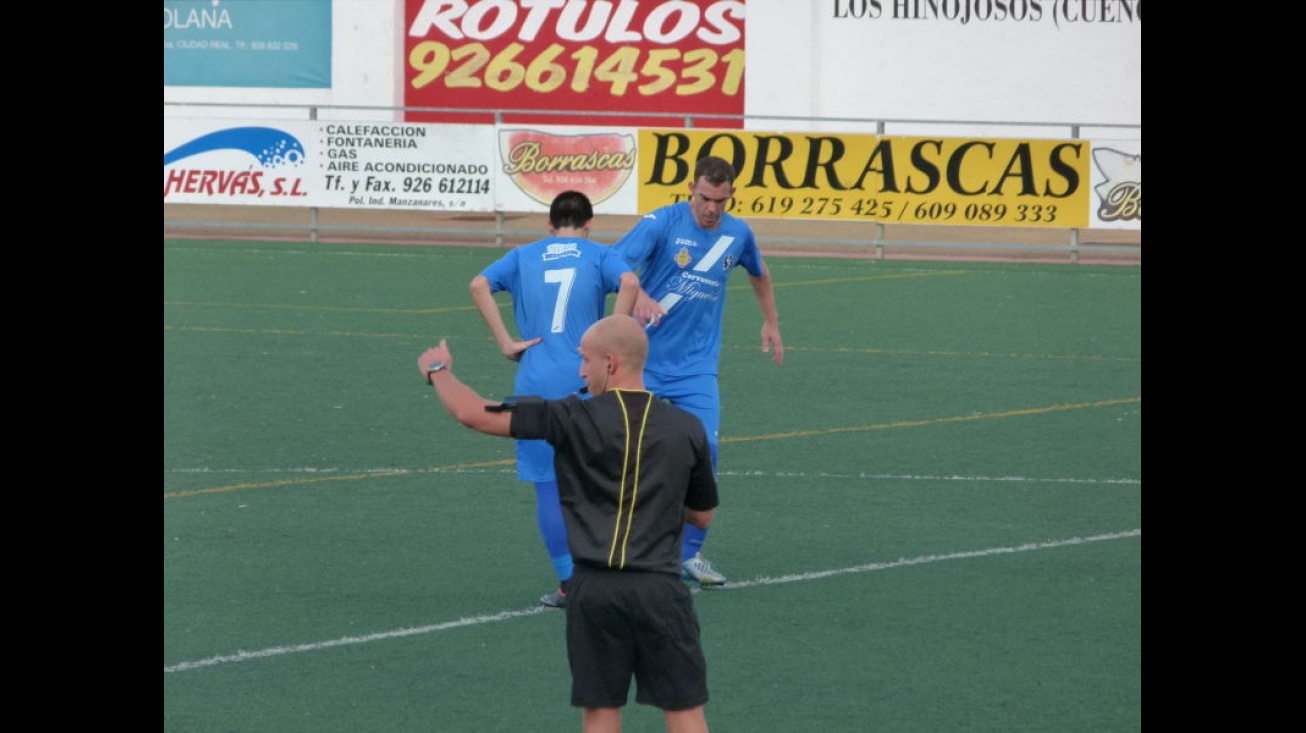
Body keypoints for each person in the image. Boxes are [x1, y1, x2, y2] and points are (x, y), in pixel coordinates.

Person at [417, 315, 718, 733]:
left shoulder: (569, 416)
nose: (580, 370)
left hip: (594, 590)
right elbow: (702, 514)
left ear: (610, 363)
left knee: (600, 712)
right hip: (661, 591)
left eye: (586, 360)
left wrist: (438, 371)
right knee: (685, 712)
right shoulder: (688, 428)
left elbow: (473, 414)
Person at [613, 154, 784, 587]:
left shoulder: (737, 233)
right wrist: (639, 298)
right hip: (643, 363)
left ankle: (688, 555)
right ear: (692, 187)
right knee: (624, 457)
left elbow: (759, 274)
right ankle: (620, 546)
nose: (711, 208)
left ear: (731, 196)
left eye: (720, 201)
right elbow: (613, 265)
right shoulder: (660, 223)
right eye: (705, 198)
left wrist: (771, 322)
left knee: (705, 454)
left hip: (696, 370)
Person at [469, 190, 639, 609]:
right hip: (587, 378)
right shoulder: (597, 254)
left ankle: (569, 584)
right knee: (603, 477)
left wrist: (506, 342)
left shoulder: (524, 254)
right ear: (589, 224)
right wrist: (615, 329)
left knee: (548, 486)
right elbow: (631, 282)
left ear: (549, 225)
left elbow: (478, 284)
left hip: (536, 381)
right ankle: (620, 567)